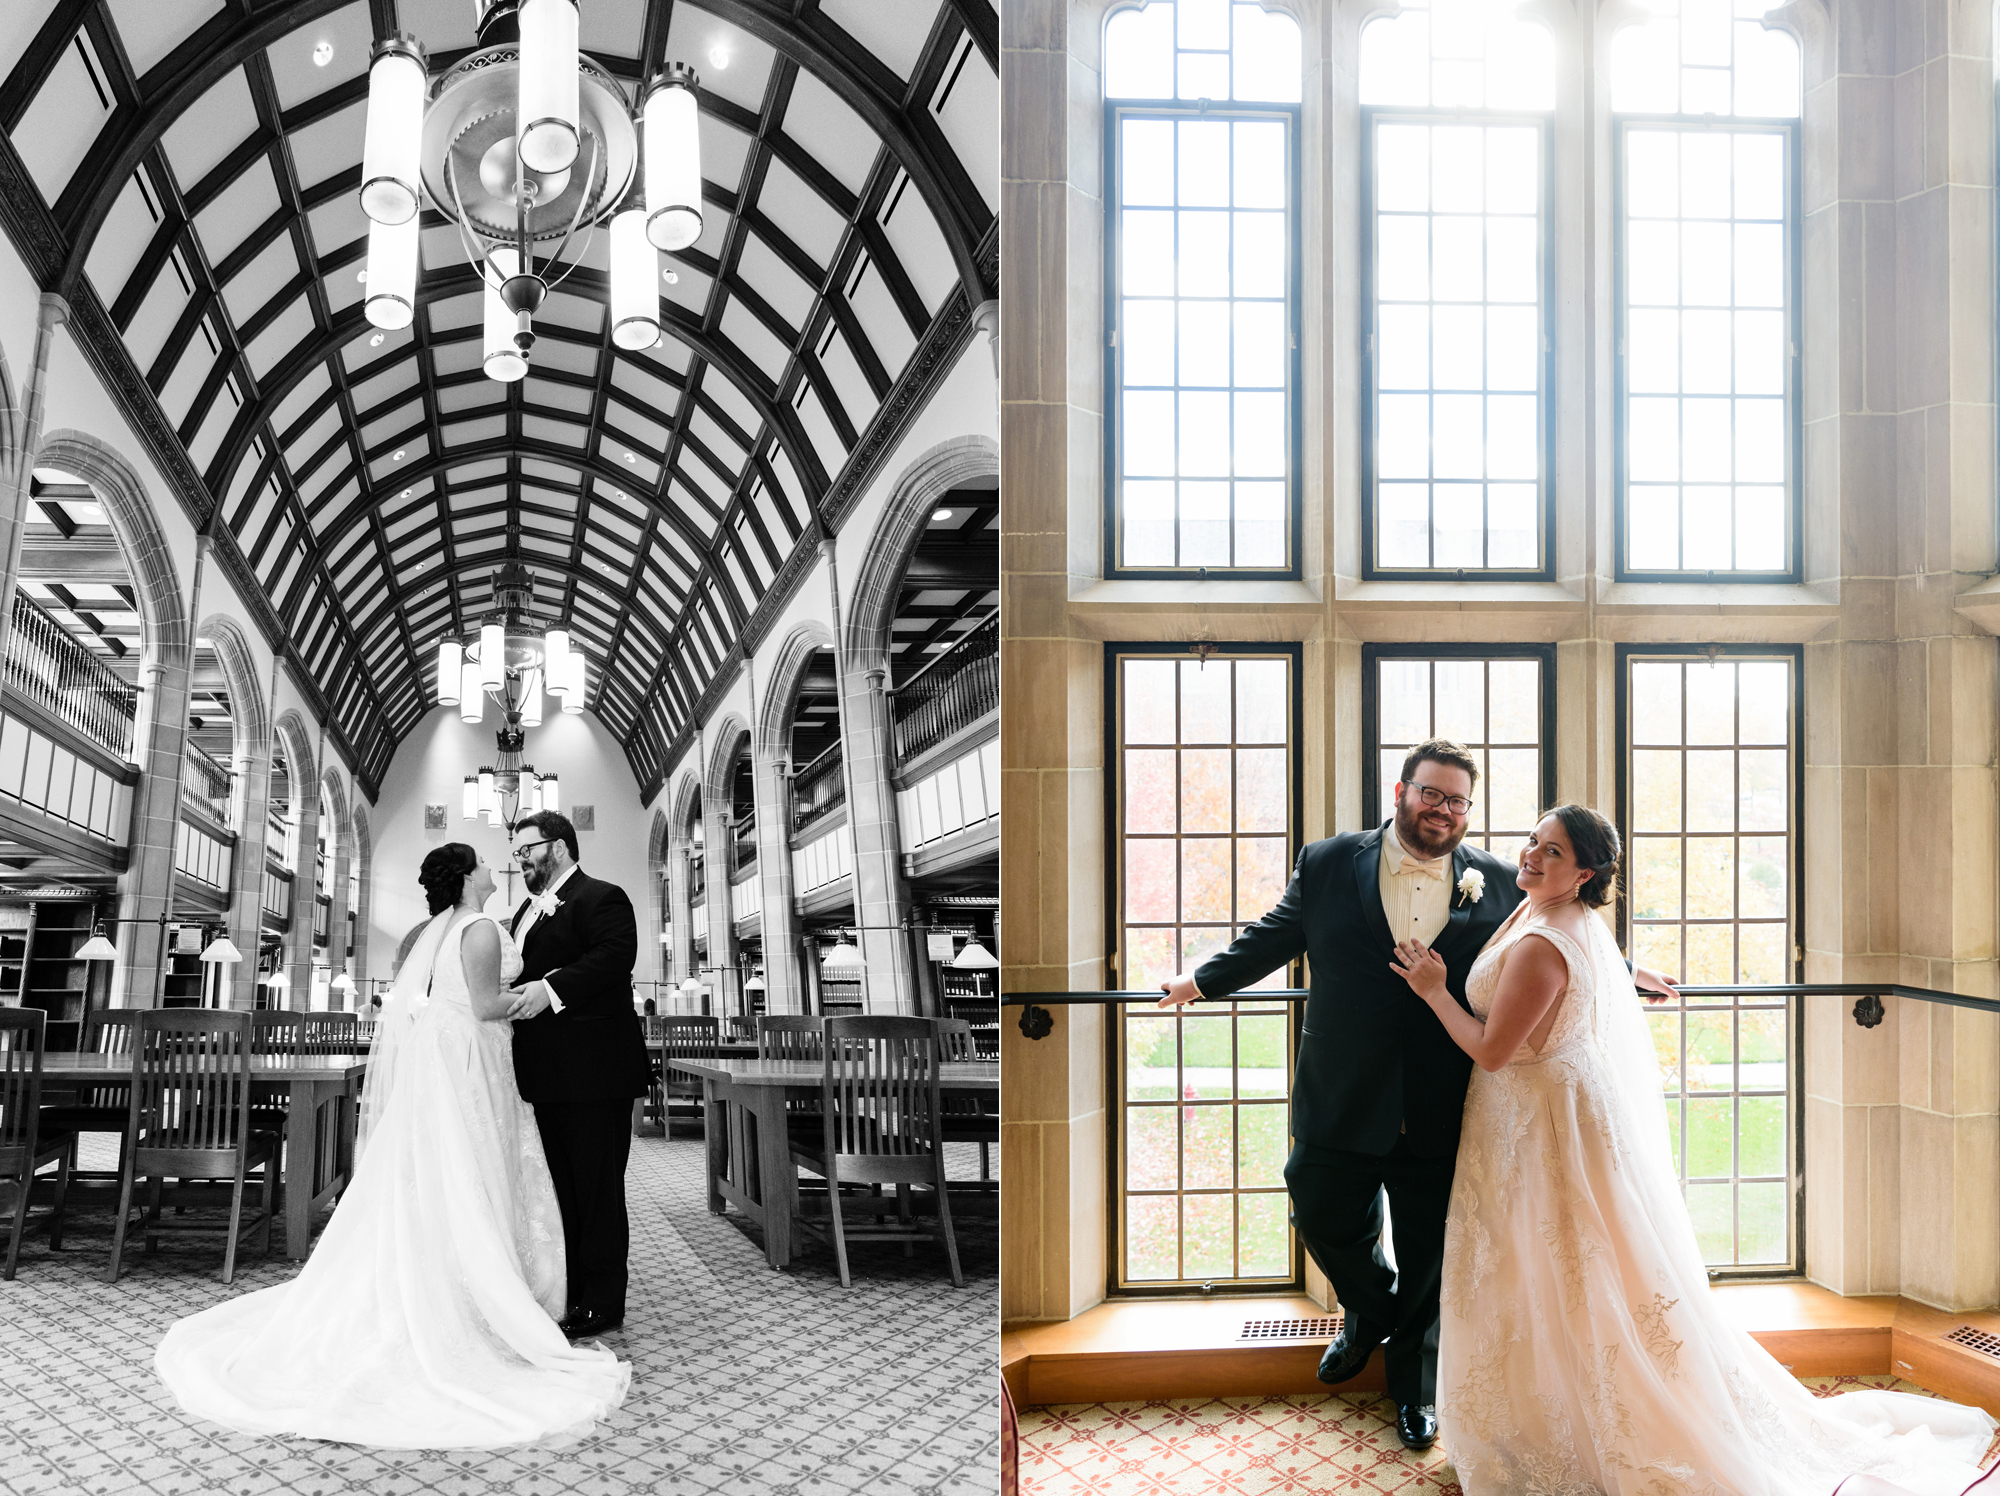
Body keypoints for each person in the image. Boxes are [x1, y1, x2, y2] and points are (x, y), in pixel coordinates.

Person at [1391, 805, 1996, 1493]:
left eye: (1551, 851)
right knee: (1557, 1271)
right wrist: (1631, 972)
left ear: (1583, 872)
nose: (1530, 855)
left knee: (1558, 1267)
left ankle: (1577, 1430)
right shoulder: (1550, 915)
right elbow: (1569, 974)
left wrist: (1435, 991)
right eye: (1533, 840)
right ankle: (1541, 1416)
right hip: (1547, 1111)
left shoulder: (1541, 942)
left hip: (1536, 1122)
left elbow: (1493, 1051)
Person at [1156, 739, 1679, 1452]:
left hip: (1446, 1094)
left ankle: (1415, 1391)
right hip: (1341, 1087)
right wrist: (1199, 982)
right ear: (1400, 791)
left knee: (1432, 1251)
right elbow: (1274, 936)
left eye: (1458, 800)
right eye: (1432, 794)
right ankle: (1368, 1313)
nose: (1444, 809)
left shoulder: (1497, 879)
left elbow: (1551, 937)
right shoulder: (1330, 861)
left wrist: (1627, 970)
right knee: (1317, 1202)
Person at [154, 844, 629, 1448]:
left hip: (451, 1054)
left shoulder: (441, 927)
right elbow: (485, 1006)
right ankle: (477, 1290)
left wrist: (543, 993)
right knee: (469, 1168)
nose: (493, 869)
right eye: (482, 864)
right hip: (472, 1056)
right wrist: (537, 997)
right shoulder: (480, 926)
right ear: (464, 878)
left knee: (444, 1169)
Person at [505, 810, 651, 1341]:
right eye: (516, 853)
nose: (520, 860)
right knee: (561, 1186)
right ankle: (571, 1287)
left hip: (595, 1072)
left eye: (528, 850)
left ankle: (603, 1301)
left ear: (560, 847)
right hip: (546, 1074)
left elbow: (615, 958)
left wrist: (550, 988)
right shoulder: (525, 909)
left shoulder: (602, 896)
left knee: (597, 1189)